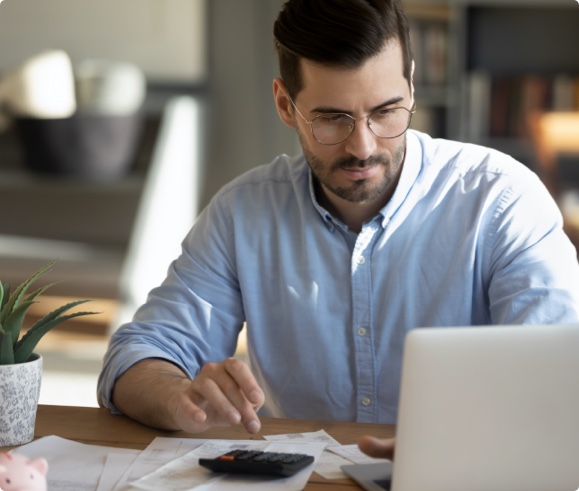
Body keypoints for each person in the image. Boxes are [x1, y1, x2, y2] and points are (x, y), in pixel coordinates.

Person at [97, 0, 579, 460]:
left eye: (386, 111)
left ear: (411, 85)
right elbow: (135, 356)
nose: (364, 147)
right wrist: (179, 395)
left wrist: (454, 447)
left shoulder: (502, 200)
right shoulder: (242, 213)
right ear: (286, 105)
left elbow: (559, 375)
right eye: (333, 119)